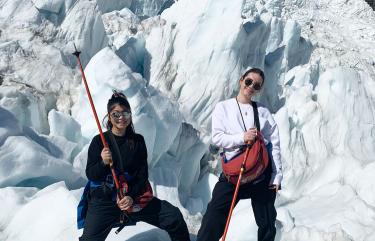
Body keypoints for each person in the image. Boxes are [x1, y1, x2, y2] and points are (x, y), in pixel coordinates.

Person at [79, 91, 190, 241]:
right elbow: (91, 174)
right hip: (104, 202)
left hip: (131, 198)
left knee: (173, 217)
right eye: (116, 114)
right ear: (109, 116)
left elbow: (142, 174)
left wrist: (131, 196)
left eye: (125, 113)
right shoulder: (99, 141)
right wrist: (103, 162)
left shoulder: (137, 141)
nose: (121, 118)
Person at [196, 68, 282, 241]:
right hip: (233, 175)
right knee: (213, 217)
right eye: (249, 81)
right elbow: (218, 138)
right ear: (241, 80)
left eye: (256, 85)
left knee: (267, 222)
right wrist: (242, 137)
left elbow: (274, 145)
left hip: (260, 175)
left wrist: (277, 175)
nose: (251, 87)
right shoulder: (223, 107)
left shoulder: (263, 112)